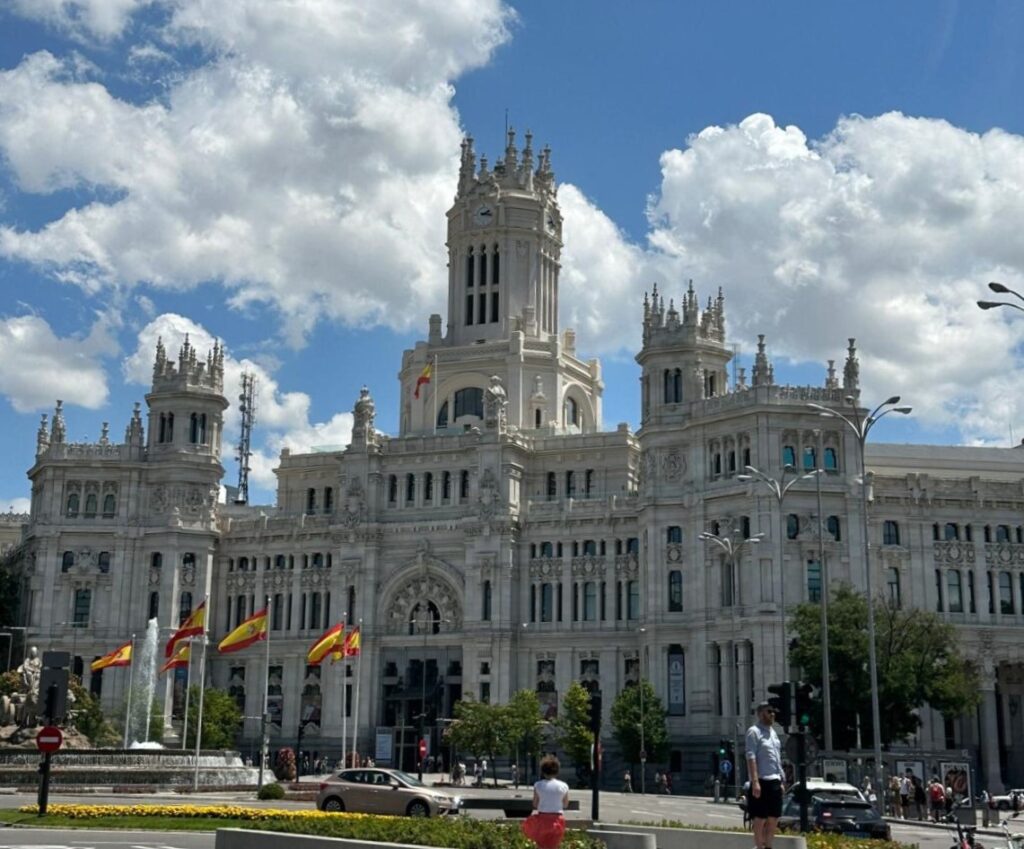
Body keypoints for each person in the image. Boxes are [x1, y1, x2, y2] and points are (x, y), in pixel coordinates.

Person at [745, 700, 784, 849]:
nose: (772, 714)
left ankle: (768, 846)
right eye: (769, 711)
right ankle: (759, 846)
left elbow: (776, 757)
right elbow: (751, 756)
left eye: (773, 712)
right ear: (761, 714)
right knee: (760, 818)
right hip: (761, 780)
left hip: (774, 780)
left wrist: (781, 779)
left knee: (774, 817)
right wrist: (755, 781)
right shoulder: (754, 732)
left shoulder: (773, 733)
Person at [521, 754, 570, 849]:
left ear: (543, 772)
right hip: (557, 819)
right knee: (554, 845)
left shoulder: (538, 785)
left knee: (541, 845)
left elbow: (535, 804)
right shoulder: (564, 786)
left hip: (542, 819)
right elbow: (565, 804)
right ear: (557, 771)